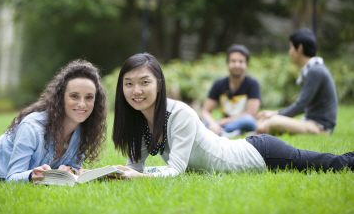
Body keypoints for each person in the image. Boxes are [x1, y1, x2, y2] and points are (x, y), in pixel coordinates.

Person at [111, 53, 352, 179]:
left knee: (334, 165)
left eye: (144, 82)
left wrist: (138, 177)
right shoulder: (139, 121)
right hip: (248, 148)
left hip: (259, 154)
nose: (136, 91)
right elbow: (135, 168)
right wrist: (110, 173)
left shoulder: (180, 114)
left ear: (159, 85)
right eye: (128, 83)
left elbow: (175, 170)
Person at [0, 59, 107, 183]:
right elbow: (12, 177)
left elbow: (70, 168)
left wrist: (75, 172)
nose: (82, 104)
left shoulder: (83, 132)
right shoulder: (32, 127)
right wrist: (34, 176)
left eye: (89, 97)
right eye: (74, 96)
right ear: (61, 98)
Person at [256, 28, 338, 135]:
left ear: (300, 48)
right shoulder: (312, 69)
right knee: (263, 120)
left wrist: (275, 114)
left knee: (274, 122)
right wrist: (274, 114)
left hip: (320, 127)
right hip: (309, 123)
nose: (290, 52)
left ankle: (258, 135)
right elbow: (303, 105)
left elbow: (301, 105)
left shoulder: (315, 71)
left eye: (291, 47)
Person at [201, 44, 261, 138]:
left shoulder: (252, 84)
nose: (237, 65)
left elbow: (251, 113)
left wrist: (220, 122)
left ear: (246, 65)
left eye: (241, 61)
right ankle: (224, 132)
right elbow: (205, 111)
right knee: (201, 122)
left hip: (241, 122)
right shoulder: (219, 84)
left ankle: (217, 133)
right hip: (223, 125)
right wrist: (212, 123)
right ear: (228, 64)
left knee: (248, 120)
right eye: (233, 61)